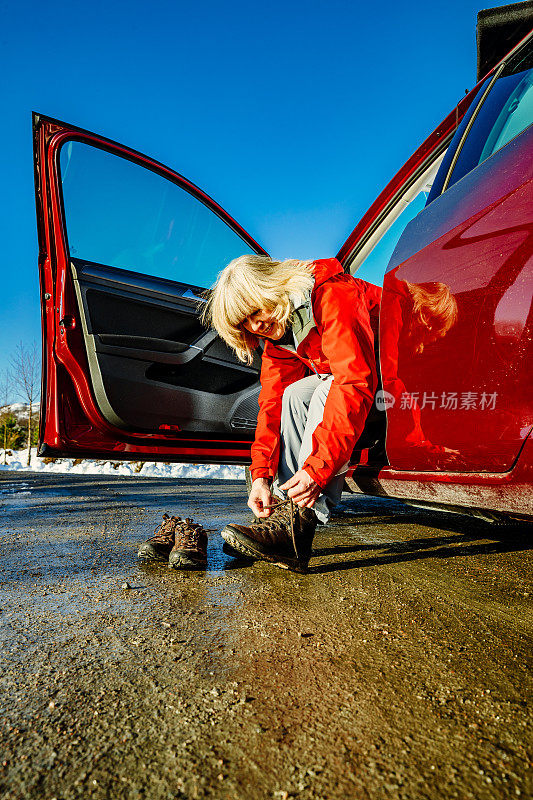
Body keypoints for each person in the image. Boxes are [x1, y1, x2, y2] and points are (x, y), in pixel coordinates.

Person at [204, 255, 382, 573]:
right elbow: (271, 405)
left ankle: (293, 528)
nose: (256, 325)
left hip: (401, 394)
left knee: (327, 388)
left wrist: (318, 469)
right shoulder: (281, 336)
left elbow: (354, 382)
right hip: (361, 403)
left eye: (256, 309)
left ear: (274, 286)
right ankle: (282, 521)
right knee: (293, 394)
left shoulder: (333, 295)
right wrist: (261, 476)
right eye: (246, 320)